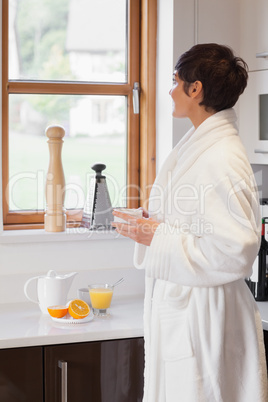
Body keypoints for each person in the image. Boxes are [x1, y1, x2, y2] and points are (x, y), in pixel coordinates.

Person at [112, 43, 268, 402]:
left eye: (174, 81)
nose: (169, 90)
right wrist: (150, 224)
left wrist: (159, 237)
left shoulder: (220, 158)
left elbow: (238, 249)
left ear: (195, 89)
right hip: (189, 314)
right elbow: (199, 222)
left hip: (206, 320)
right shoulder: (198, 147)